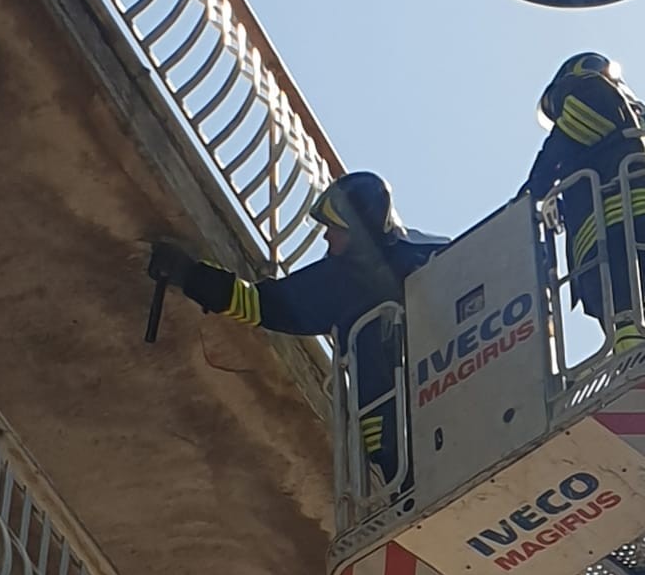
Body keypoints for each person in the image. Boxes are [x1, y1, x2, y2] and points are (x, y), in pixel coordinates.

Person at [148, 171, 443, 480]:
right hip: (405, 430)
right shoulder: (345, 278)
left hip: (430, 410)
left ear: (358, 230)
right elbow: (263, 304)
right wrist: (190, 276)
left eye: (333, 228)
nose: (326, 236)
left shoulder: (373, 272)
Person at [523, 53, 645, 351]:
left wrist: (532, 193)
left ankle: (635, 344)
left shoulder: (585, 88)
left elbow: (565, 139)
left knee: (616, 285)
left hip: (606, 217)